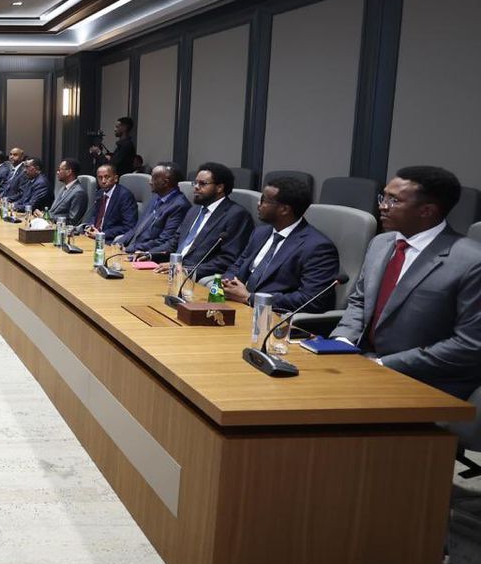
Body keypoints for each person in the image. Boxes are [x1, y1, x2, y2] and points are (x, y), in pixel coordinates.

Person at [330, 166, 481, 399]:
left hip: (426, 382)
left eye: (394, 200)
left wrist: (382, 365)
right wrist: (342, 343)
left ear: (427, 210)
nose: (382, 206)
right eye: (383, 197)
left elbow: (469, 344)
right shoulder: (381, 243)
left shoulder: (471, 261)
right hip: (363, 365)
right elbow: (360, 301)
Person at [222, 176, 340, 312]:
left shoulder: (317, 248)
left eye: (264, 200)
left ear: (284, 209)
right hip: (237, 305)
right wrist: (228, 282)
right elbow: (238, 265)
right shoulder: (260, 232)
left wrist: (250, 298)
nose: (258, 204)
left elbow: (311, 300)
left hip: (274, 315)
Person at [150, 162, 253, 281]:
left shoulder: (236, 215)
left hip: (195, 277)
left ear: (220, 187)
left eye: (202, 184)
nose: (196, 187)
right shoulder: (194, 210)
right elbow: (175, 242)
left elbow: (227, 259)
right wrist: (150, 254)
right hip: (171, 271)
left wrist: (186, 270)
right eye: (195, 183)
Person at [115, 162, 189, 254]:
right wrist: (119, 243)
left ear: (165, 182)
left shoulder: (179, 206)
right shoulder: (156, 197)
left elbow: (163, 241)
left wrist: (129, 249)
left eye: (154, 178)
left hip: (145, 254)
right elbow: (137, 228)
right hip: (131, 248)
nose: (150, 182)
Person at [80, 164, 138, 241]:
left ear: (115, 178)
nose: (103, 181)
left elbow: (129, 226)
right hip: (93, 237)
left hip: (109, 240)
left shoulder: (124, 196)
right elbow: (94, 216)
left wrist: (101, 234)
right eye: (100, 178)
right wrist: (89, 227)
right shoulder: (99, 194)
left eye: (107, 177)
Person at [47, 159, 88, 227]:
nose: (57, 172)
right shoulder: (63, 188)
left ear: (69, 172)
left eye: (59, 169)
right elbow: (53, 211)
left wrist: (48, 217)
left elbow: (72, 221)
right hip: (51, 226)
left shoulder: (78, 192)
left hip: (63, 230)